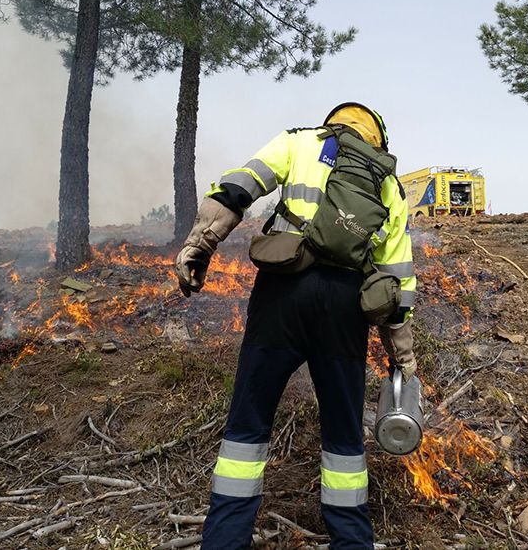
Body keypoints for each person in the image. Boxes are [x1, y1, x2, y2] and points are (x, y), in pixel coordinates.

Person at [175, 103, 416, 549]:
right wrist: (402, 356)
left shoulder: (300, 141)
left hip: (281, 295)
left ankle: (225, 539)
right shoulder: (389, 183)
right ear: (378, 139)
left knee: (247, 427)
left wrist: (200, 245)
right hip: (344, 307)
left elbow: (238, 188)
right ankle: (351, 541)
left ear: (334, 122)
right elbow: (397, 279)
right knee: (344, 436)